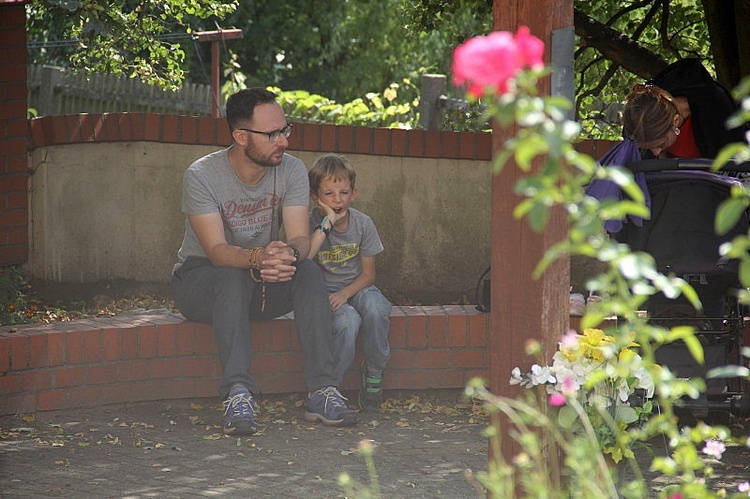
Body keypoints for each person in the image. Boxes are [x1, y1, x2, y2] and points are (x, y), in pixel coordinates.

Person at [170, 88, 358, 436]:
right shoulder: (202, 175)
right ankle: (237, 395)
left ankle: (322, 390)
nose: (283, 141)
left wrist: (289, 255)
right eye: (272, 134)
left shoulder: (291, 170)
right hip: (202, 280)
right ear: (241, 136)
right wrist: (258, 257)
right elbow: (216, 251)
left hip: (263, 276)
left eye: (285, 130)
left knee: (308, 272)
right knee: (230, 276)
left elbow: (301, 238)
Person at [307, 153, 392, 411]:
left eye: (343, 193)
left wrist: (345, 293)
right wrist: (327, 223)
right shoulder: (310, 222)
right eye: (329, 194)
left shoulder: (363, 224)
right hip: (323, 292)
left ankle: (375, 370)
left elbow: (368, 275)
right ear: (315, 197)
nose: (337, 200)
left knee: (377, 309)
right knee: (347, 321)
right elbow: (306, 257)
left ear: (353, 194)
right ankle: (328, 387)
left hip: (356, 287)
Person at [621, 58, 746, 160]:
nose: (655, 152)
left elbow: (733, 166)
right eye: (648, 148)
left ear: (675, 121)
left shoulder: (716, 110)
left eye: (660, 144)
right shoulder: (638, 120)